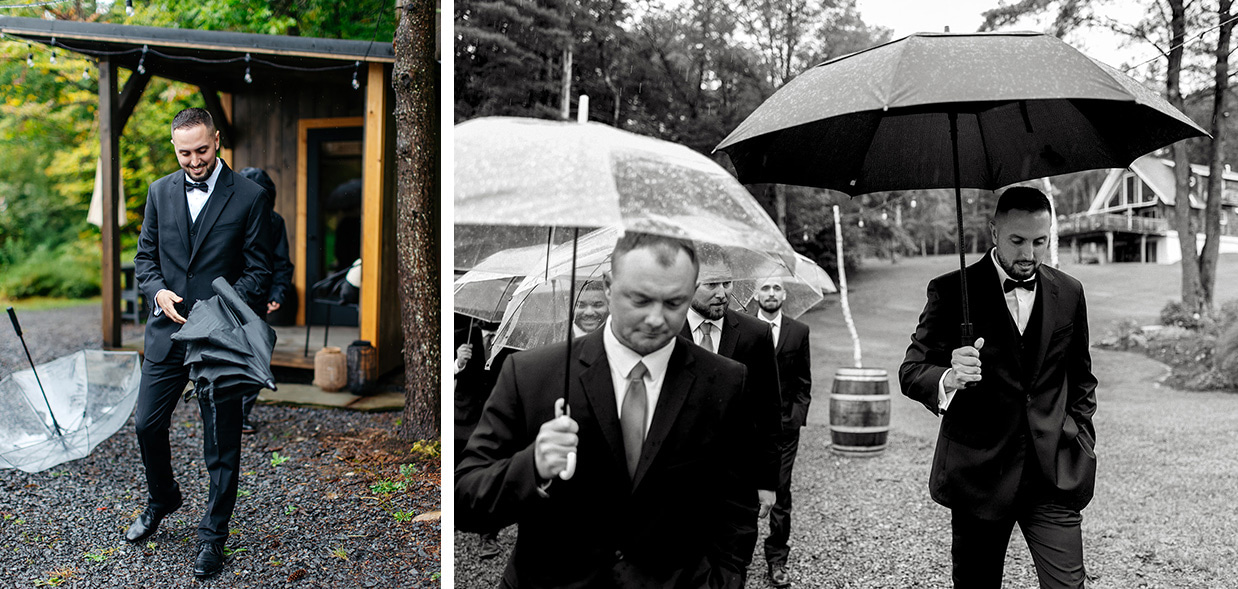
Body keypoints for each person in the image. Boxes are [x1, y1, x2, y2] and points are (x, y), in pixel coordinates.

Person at [456, 232, 751, 588]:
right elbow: (465, 499)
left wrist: (726, 579)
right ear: (609, 286)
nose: (656, 319)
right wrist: (532, 465)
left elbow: (737, 502)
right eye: (640, 300)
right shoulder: (531, 375)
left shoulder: (723, 380)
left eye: (674, 302)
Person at [899, 186, 1098, 589]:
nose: (1029, 253)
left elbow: (1081, 378)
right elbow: (911, 369)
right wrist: (949, 378)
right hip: (980, 476)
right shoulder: (953, 290)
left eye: (1040, 241)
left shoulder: (1070, 292)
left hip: (1052, 473)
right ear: (994, 232)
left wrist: (1080, 440)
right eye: (1017, 240)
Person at [130, 107, 272, 579]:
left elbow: (258, 271)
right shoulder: (158, 192)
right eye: (184, 152)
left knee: (221, 443)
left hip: (219, 337)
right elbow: (145, 259)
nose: (194, 161)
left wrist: (219, 307)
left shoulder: (250, 196)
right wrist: (156, 291)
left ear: (218, 140)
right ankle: (163, 497)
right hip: (167, 332)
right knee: (147, 424)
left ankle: (213, 536)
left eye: (202, 150)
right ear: (175, 148)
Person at [678, 251, 781, 582]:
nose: (722, 292)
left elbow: (769, 411)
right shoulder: (666, 332)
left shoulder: (755, 334)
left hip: (737, 484)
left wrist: (767, 483)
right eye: (711, 284)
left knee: (732, 571)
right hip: (678, 481)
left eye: (726, 282)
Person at [754, 276, 812, 588]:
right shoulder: (742, 329)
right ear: (755, 293)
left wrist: (796, 417)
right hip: (747, 426)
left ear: (784, 294)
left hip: (785, 428)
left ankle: (777, 557)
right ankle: (738, 552)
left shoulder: (798, 330)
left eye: (777, 287)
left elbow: (804, 380)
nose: (771, 293)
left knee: (779, 489)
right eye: (765, 287)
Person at [236, 166, 294, 434]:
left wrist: (278, 293)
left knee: (258, 356)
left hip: (258, 301)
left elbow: (282, 263)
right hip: (225, 298)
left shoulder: (275, 222)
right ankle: (220, 412)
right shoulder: (226, 217)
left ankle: (242, 414)